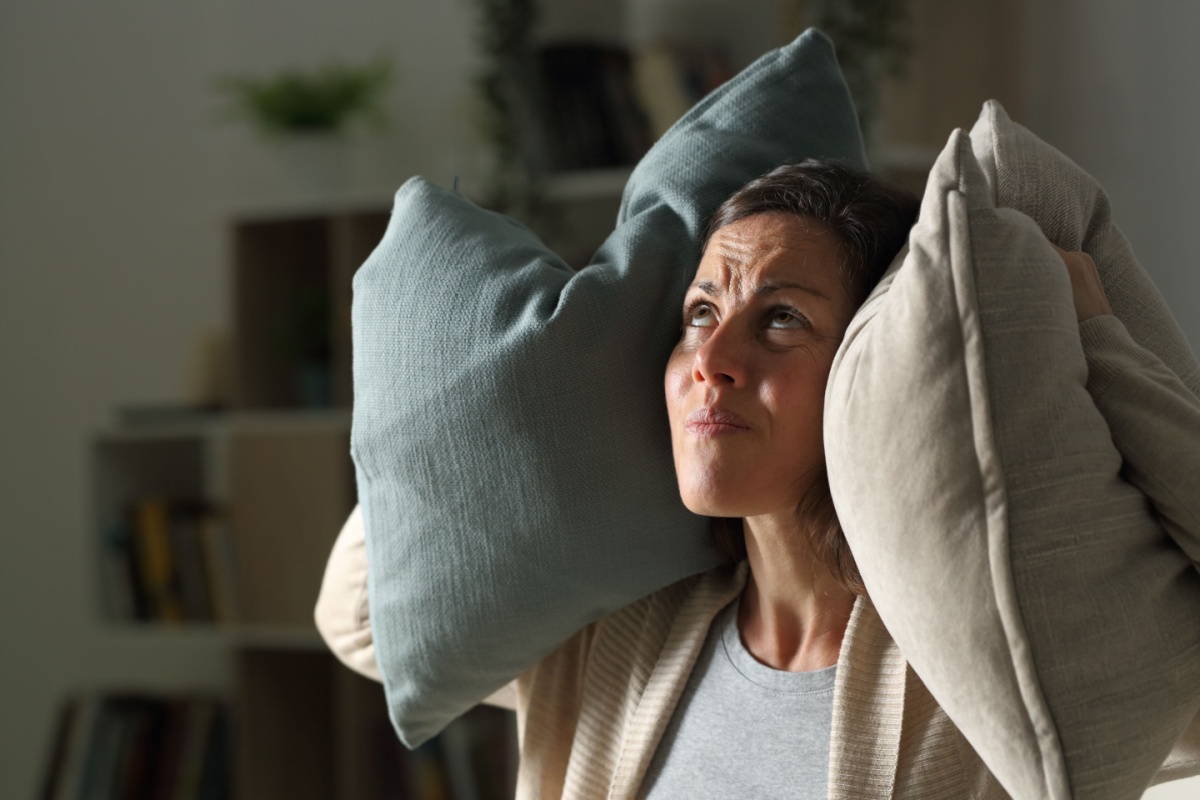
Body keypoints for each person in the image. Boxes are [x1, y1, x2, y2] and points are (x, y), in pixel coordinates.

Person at [316, 159, 1200, 799]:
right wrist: (541, 382)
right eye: (699, 313)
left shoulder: (991, 654)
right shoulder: (614, 630)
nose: (713, 360)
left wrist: (1101, 342)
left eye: (780, 320)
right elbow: (361, 622)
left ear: (866, 368)